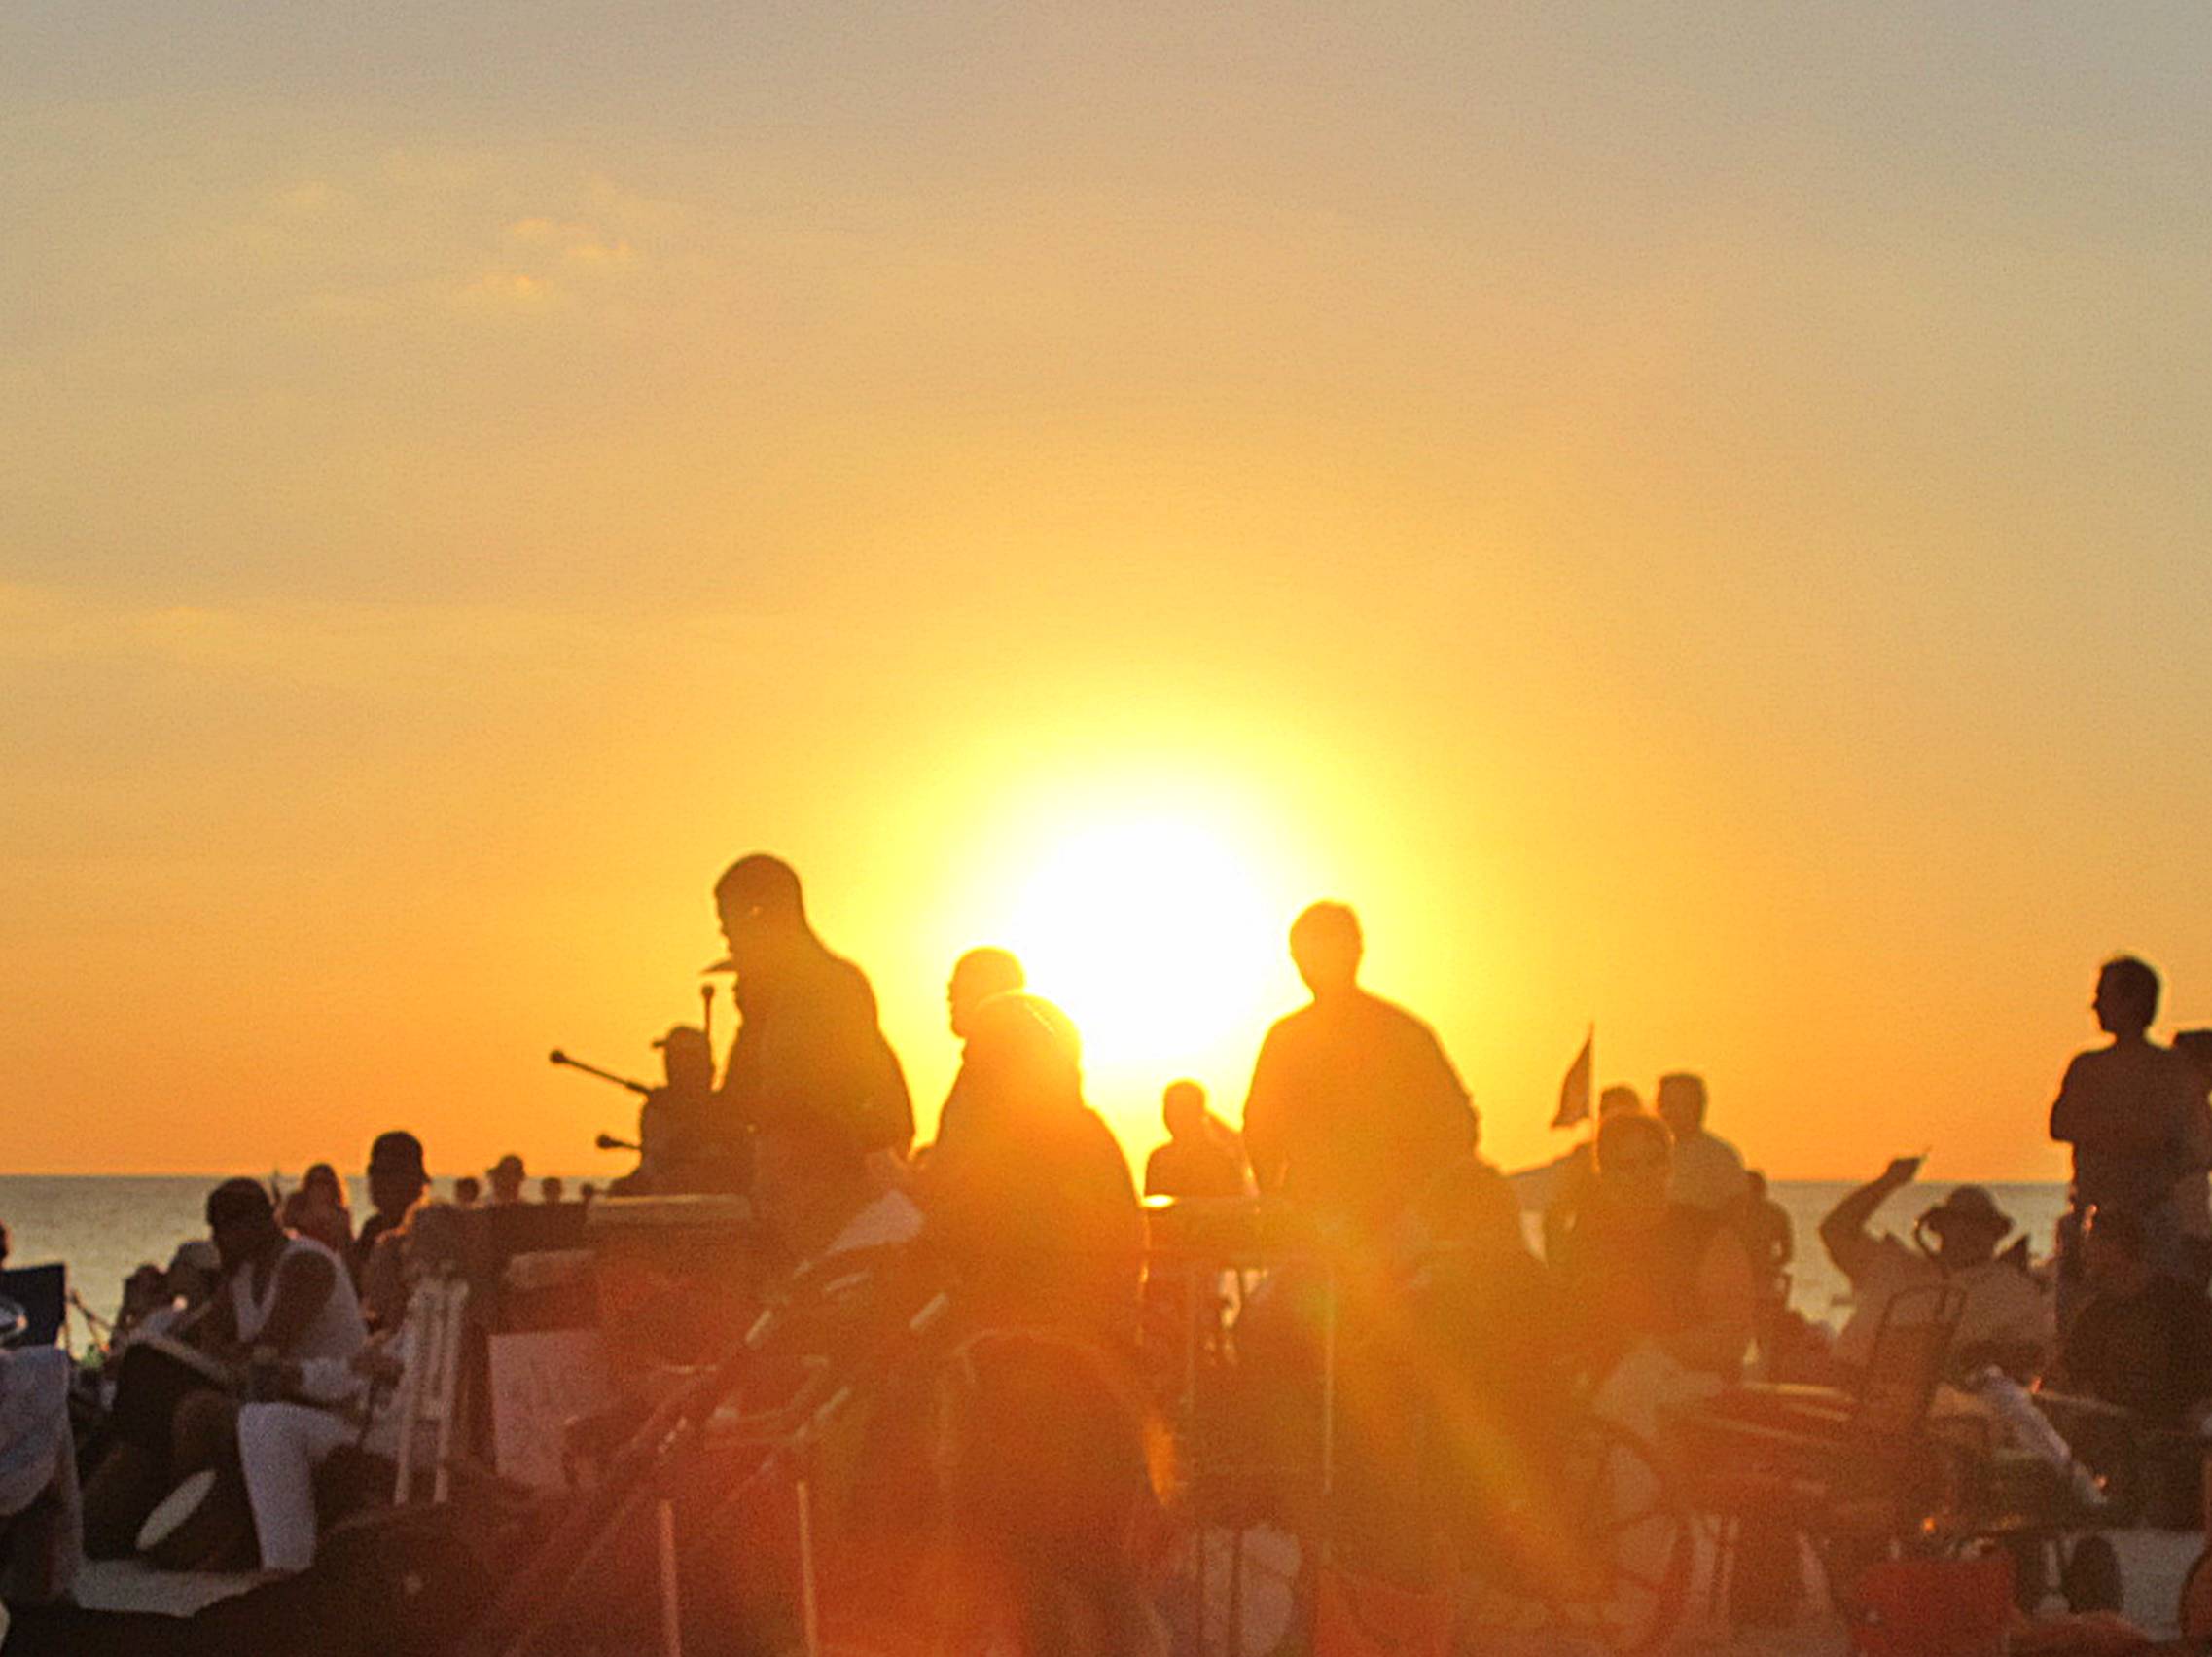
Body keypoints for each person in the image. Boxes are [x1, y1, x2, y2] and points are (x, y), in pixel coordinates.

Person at [82, 1179, 369, 1557]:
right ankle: (114, 1526)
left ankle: (194, 1535)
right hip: (269, 1398)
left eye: (224, 1229)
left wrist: (229, 1350)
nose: (218, 1241)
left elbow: (269, 1348)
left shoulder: (305, 1264)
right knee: (145, 1412)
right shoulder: (243, 1276)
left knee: (198, 1414)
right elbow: (206, 1339)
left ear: (255, 1225)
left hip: (326, 1403)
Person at [1242, 902, 1476, 1247]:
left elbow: (1261, 1131)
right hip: (1378, 1229)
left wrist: (1280, 1201)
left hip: (1337, 1227)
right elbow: (1459, 1126)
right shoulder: (1405, 1032)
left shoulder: (1289, 1039)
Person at [920, 992, 1145, 1347]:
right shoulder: (1078, 1133)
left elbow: (985, 1238)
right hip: (1068, 1332)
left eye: (977, 1056)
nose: (967, 1066)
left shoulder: (1037, 1146)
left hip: (1042, 1341)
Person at [709, 853, 914, 1165]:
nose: (727, 941)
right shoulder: (773, 995)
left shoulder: (828, 988)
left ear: (758, 915)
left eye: (730, 926)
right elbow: (737, 1102)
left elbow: (800, 1100)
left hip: (834, 1180)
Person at [1550, 1110, 1758, 1393]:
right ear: (1606, 1174)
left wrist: (1648, 1347)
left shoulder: (1707, 1236)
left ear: (1669, 1166)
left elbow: (1731, 1340)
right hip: (1605, 1386)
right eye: (1628, 1165)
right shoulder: (1590, 1240)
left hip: (1692, 1393)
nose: (1643, 1174)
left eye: (1654, 1161)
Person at [2050, 955, 2211, 1308]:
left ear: (2134, 1001)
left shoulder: (2171, 1070)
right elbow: (2060, 1124)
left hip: (2152, 1225)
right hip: (2095, 1220)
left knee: (2157, 1323)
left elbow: (2197, 1149)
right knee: (2081, 1328)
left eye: (2104, 995)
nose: (2094, 1005)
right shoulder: (2088, 1066)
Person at [1819, 1158, 2051, 1378]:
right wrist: (1888, 1182)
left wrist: (1981, 1356)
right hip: (1849, 1389)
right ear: (1940, 1227)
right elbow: (1835, 1230)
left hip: (1948, 1407)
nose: (1968, 1233)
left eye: (1980, 1225)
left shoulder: (2010, 1288)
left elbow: (2034, 1354)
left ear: (1995, 1234)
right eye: (1958, 1223)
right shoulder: (1892, 1264)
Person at [2053, 1207, 2212, 1430]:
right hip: (2113, 1430)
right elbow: (2067, 1375)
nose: (2085, 1253)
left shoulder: (2183, 1305)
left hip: (2177, 1432)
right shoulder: (2095, 1315)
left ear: (2118, 1248)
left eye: (2093, 1242)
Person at [934, 946, 1026, 1157]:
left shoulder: (999, 1072)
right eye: (950, 988)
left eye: (959, 988)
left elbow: (975, 1163)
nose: (949, 997)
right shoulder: (977, 1067)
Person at [1541, 1083, 1644, 1261]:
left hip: (1642, 1246)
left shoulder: (1656, 1155)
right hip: (1592, 1249)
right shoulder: (1584, 1158)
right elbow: (1556, 1214)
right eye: (1606, 1110)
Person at [1656, 1071, 1748, 1214]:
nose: (1668, 1110)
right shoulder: (1651, 1155)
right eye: (1664, 1103)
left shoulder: (1720, 1156)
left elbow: (1737, 1210)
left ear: (1697, 1106)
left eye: (1677, 1103)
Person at [1142, 1079, 1247, 1201]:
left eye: (1182, 1110)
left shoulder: (1219, 1161)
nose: (1173, 1116)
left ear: (1199, 1112)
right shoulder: (1159, 1159)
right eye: (1169, 1108)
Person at [350, 1131, 428, 1291]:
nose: (375, 1182)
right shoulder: (372, 1228)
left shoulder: (426, 1233)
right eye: (373, 1172)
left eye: (386, 1174)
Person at [278, 1164, 353, 1258]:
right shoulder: (298, 1211)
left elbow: (348, 1251)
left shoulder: (340, 1216)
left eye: (325, 1182)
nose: (319, 1187)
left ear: (333, 1187)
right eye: (314, 1182)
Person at [1738, 1169, 1795, 1291]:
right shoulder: (1777, 1214)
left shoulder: (1776, 1214)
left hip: (1760, 1276)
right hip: (1755, 1275)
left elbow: (1788, 1253)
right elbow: (1788, 1253)